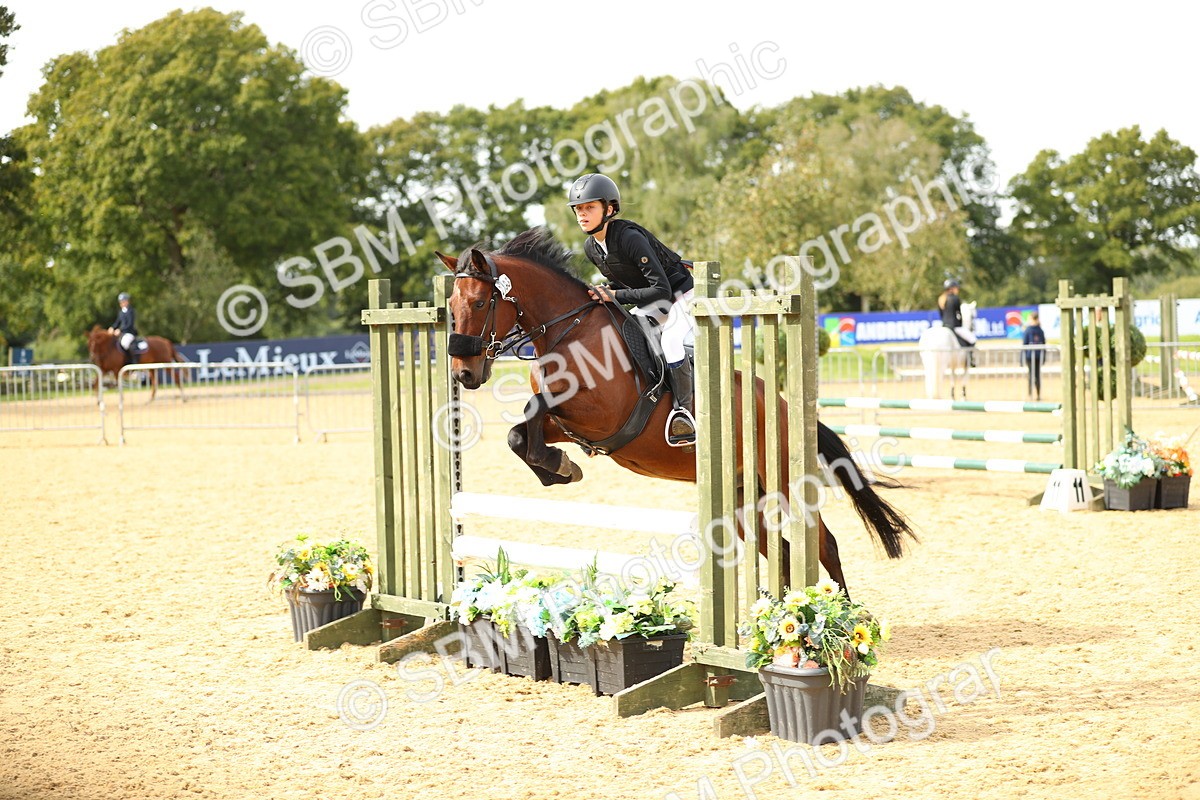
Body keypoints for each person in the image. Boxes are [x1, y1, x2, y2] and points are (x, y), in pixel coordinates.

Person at [567, 173, 697, 447]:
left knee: (672, 343)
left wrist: (614, 294)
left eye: (589, 207)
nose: (582, 215)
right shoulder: (591, 247)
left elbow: (660, 289)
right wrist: (603, 291)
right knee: (624, 337)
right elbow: (624, 280)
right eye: (578, 209)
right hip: (652, 302)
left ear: (609, 209)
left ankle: (682, 413)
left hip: (681, 294)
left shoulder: (629, 237)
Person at [938, 278, 976, 366]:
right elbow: (958, 313)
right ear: (952, 288)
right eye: (956, 288)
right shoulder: (955, 299)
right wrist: (960, 323)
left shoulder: (941, 299)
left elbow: (941, 314)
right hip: (954, 325)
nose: (957, 289)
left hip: (944, 325)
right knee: (972, 339)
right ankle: (970, 360)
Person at [107, 291, 139, 364]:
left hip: (129, 333)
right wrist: (112, 328)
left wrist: (120, 330)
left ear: (127, 301)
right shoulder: (121, 312)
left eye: (123, 301)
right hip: (122, 333)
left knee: (125, 343)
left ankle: (132, 361)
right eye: (121, 302)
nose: (122, 303)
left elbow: (130, 324)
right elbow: (117, 322)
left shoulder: (131, 311)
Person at [1022, 311, 1046, 401]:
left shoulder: (1040, 330)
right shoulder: (1028, 330)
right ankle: (1030, 394)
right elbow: (1024, 344)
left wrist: (1043, 358)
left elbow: (1043, 344)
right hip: (1030, 357)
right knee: (1031, 376)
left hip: (1037, 357)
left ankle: (1038, 394)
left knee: (1037, 376)